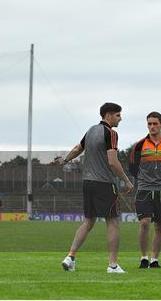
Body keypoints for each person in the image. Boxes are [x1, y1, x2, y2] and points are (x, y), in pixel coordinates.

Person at [54, 102, 134, 273]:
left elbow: (78, 148)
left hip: (88, 183)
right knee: (112, 223)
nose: (121, 118)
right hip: (104, 184)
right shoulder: (111, 133)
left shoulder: (90, 130)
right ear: (108, 116)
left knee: (88, 222)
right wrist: (127, 180)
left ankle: (70, 257)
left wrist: (64, 160)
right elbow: (113, 162)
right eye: (118, 115)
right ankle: (112, 265)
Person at [129, 112, 161, 268]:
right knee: (144, 223)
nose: (152, 126)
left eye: (155, 123)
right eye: (149, 123)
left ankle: (155, 260)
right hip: (144, 189)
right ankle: (144, 258)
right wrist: (143, 180)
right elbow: (132, 167)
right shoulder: (139, 145)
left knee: (160, 226)